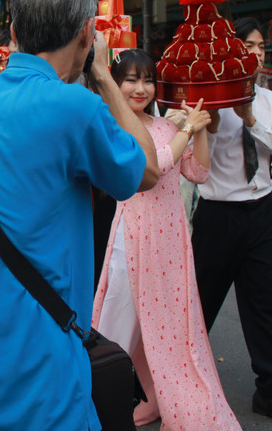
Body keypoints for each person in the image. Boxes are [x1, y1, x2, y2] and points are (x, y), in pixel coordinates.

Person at [0, 0, 159, 431]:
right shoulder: (74, 107)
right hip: (40, 388)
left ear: (14, 31)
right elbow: (148, 170)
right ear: (86, 34)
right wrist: (103, 76)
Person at [92, 49, 239, 430]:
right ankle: (97, 398)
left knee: (172, 325)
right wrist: (187, 130)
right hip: (132, 234)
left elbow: (199, 172)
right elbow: (153, 165)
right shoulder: (113, 126)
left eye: (148, 80)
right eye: (131, 80)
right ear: (115, 84)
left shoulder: (166, 126)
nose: (140, 89)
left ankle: (157, 397)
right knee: (116, 323)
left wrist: (199, 127)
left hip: (171, 238)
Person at [192, 17, 272, 431]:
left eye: (261, 46)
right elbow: (195, 156)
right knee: (200, 303)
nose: (257, 53)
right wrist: (212, 116)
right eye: (249, 45)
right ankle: (180, 380)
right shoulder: (208, 97)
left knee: (265, 307)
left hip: (261, 213)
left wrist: (250, 118)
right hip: (217, 216)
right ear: (231, 50)